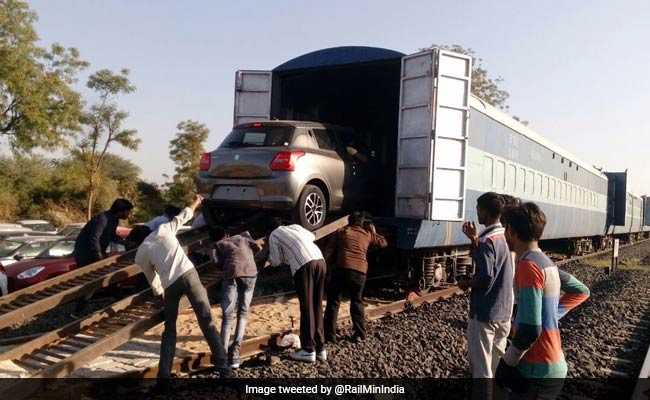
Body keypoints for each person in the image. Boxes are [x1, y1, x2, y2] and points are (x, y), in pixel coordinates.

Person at [497, 203, 590, 399]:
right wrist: (550, 315)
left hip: (537, 370)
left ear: (511, 231)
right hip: (549, 364)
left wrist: (507, 363)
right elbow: (582, 291)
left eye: (505, 229)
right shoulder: (546, 263)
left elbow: (531, 329)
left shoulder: (529, 266)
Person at [135, 194, 229, 379]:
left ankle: (164, 376)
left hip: (170, 286)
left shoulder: (140, 253)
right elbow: (184, 216)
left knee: (169, 329)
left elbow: (151, 277)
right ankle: (224, 367)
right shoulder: (162, 229)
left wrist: (159, 292)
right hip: (189, 276)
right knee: (206, 320)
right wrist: (196, 202)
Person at [460, 192, 514, 388]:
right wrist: (474, 239)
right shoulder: (506, 236)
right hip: (504, 312)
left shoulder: (487, 241)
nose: (476, 212)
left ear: (485, 211)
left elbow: (485, 277)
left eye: (478, 209)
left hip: (485, 314)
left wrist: (467, 284)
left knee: (482, 373)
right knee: (496, 368)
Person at [266, 218, 327, 363]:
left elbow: (275, 261)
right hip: (320, 260)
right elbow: (312, 236)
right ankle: (321, 348)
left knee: (306, 308)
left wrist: (271, 256)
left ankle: (308, 349)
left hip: (303, 265)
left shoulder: (273, 235)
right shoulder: (295, 226)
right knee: (317, 305)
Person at [324, 211, 387, 343]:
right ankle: (359, 334)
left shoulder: (341, 231)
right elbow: (383, 243)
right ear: (362, 223)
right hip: (359, 273)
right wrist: (373, 231)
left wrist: (326, 267)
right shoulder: (367, 235)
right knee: (357, 301)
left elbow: (329, 251)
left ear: (349, 221)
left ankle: (330, 335)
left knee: (334, 301)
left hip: (341, 269)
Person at [211, 228, 261, 369]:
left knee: (228, 316)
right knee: (243, 313)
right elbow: (258, 246)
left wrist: (226, 264)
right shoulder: (244, 236)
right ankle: (235, 354)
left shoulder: (218, 244)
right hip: (250, 273)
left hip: (231, 273)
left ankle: (222, 356)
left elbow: (215, 262)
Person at [73, 198, 134, 268]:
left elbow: (112, 236)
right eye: (128, 211)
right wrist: (99, 255)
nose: (129, 214)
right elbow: (94, 238)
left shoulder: (114, 220)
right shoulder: (103, 219)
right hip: (85, 253)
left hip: (96, 252)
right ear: (121, 210)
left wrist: (126, 242)